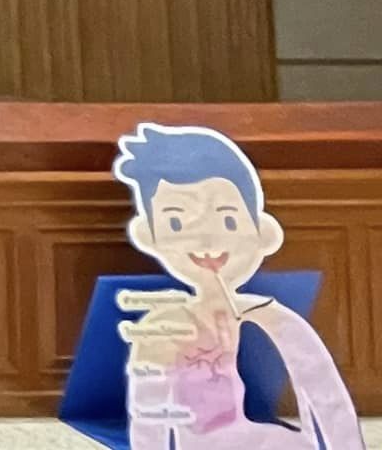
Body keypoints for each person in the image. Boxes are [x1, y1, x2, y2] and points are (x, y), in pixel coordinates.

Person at [112, 123, 364, 449]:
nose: (206, 241)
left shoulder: (274, 319)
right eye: (176, 222)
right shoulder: (164, 327)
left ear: (262, 232)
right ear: (149, 235)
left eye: (228, 220)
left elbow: (324, 394)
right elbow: (148, 416)